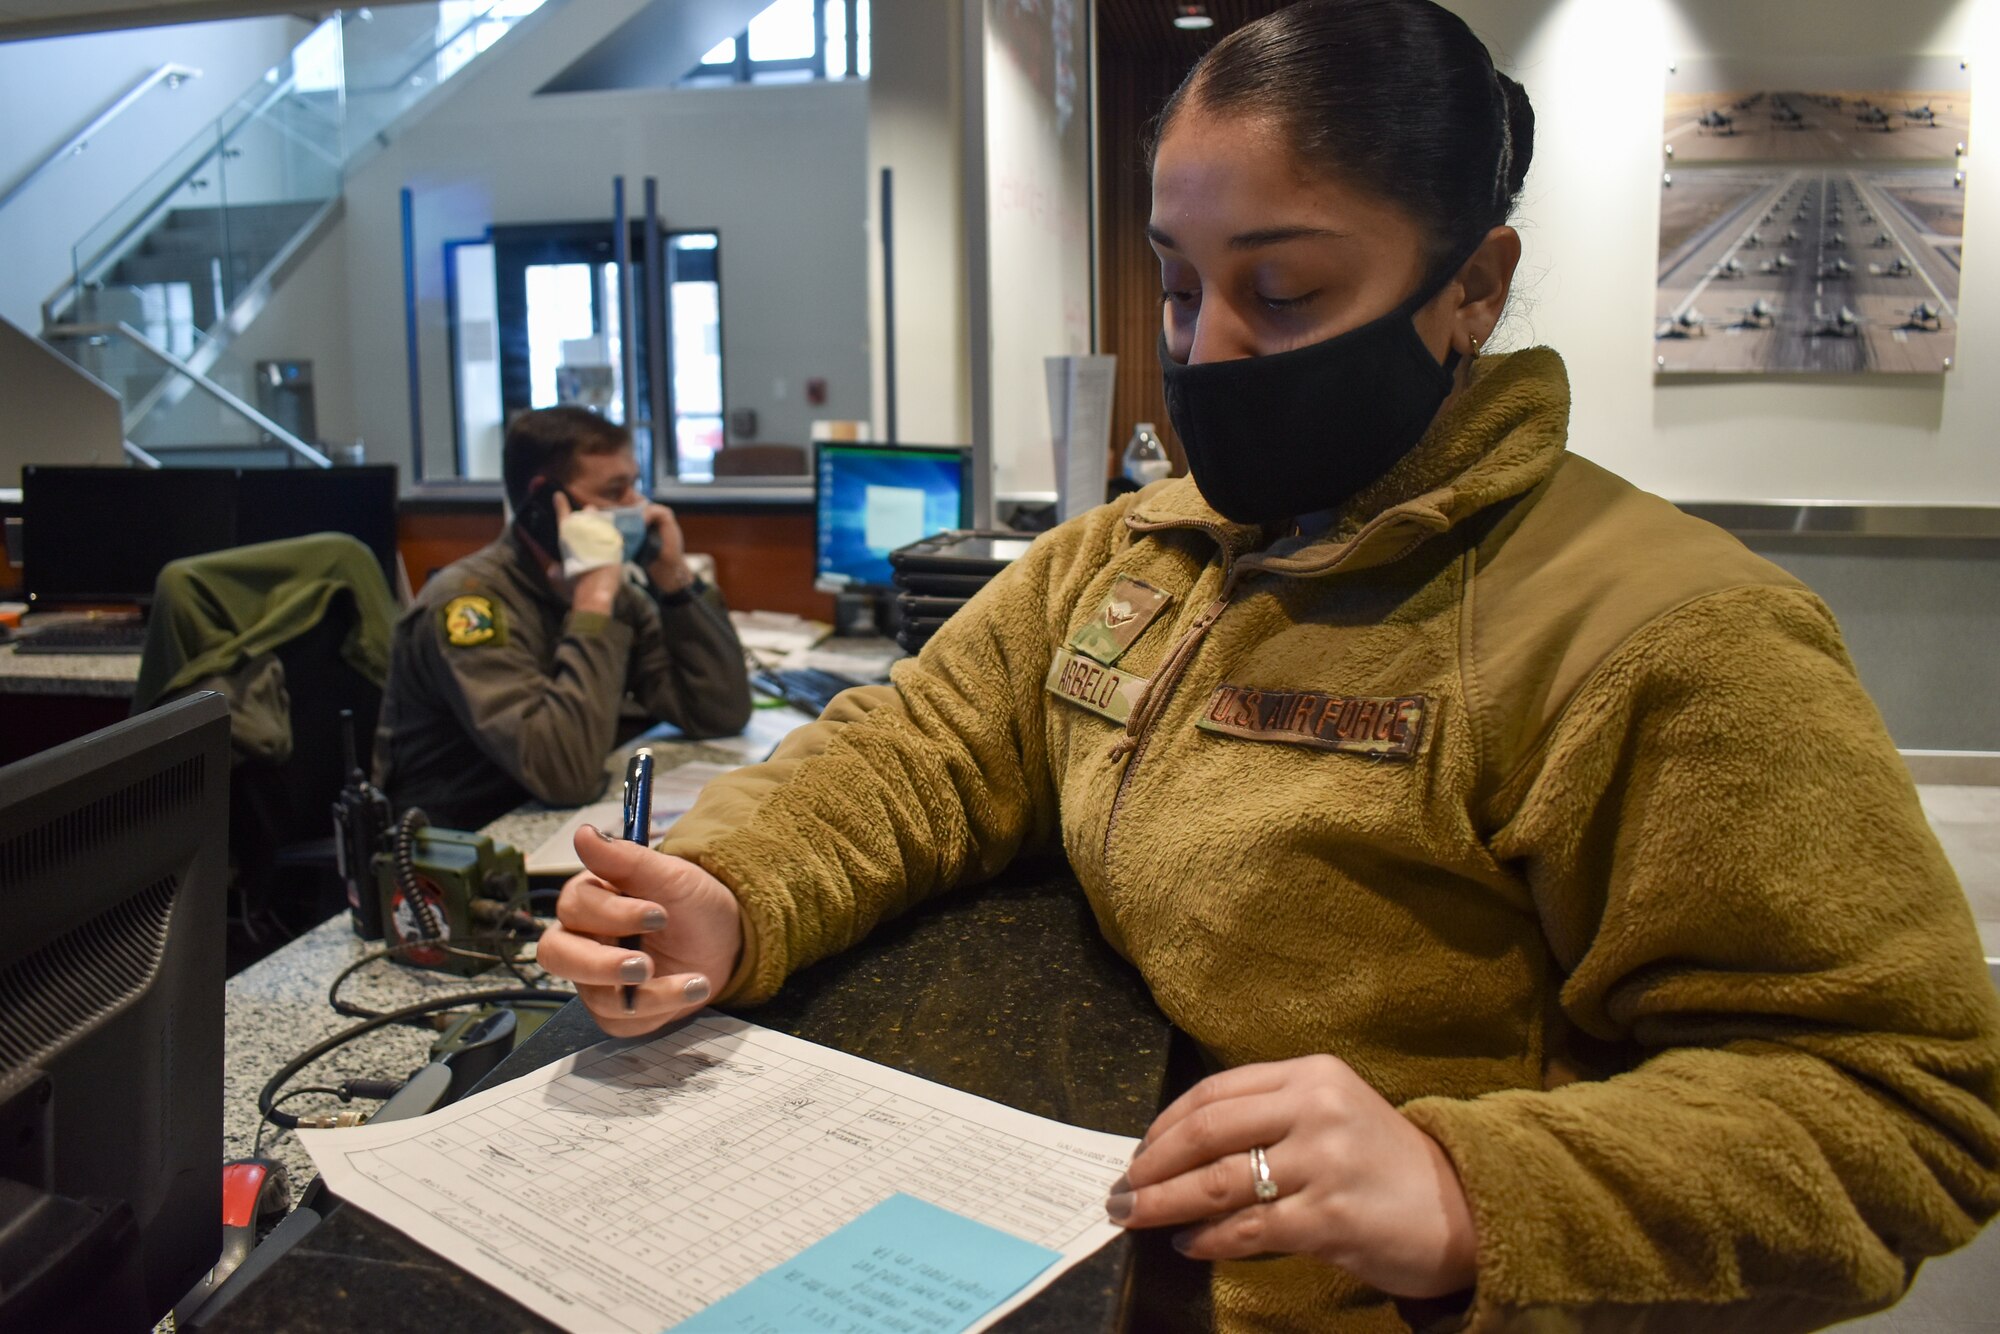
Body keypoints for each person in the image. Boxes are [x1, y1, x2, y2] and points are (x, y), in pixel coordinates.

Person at [538, 2, 2000, 1329]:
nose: (1213, 352)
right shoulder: (1141, 551)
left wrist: (1466, 1187)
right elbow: (926, 744)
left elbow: (1905, 1099)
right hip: (1074, 1237)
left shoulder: (1670, 637)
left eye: (1285, 294)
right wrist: (733, 887)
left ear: (1472, 289)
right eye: (1179, 291)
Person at [373, 406, 751, 829]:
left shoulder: (615, 594)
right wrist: (592, 606)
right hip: (463, 842)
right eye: (614, 492)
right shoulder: (471, 607)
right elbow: (564, 775)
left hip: (549, 823)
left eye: (635, 486)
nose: (639, 508)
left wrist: (673, 578)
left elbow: (719, 713)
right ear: (543, 500)